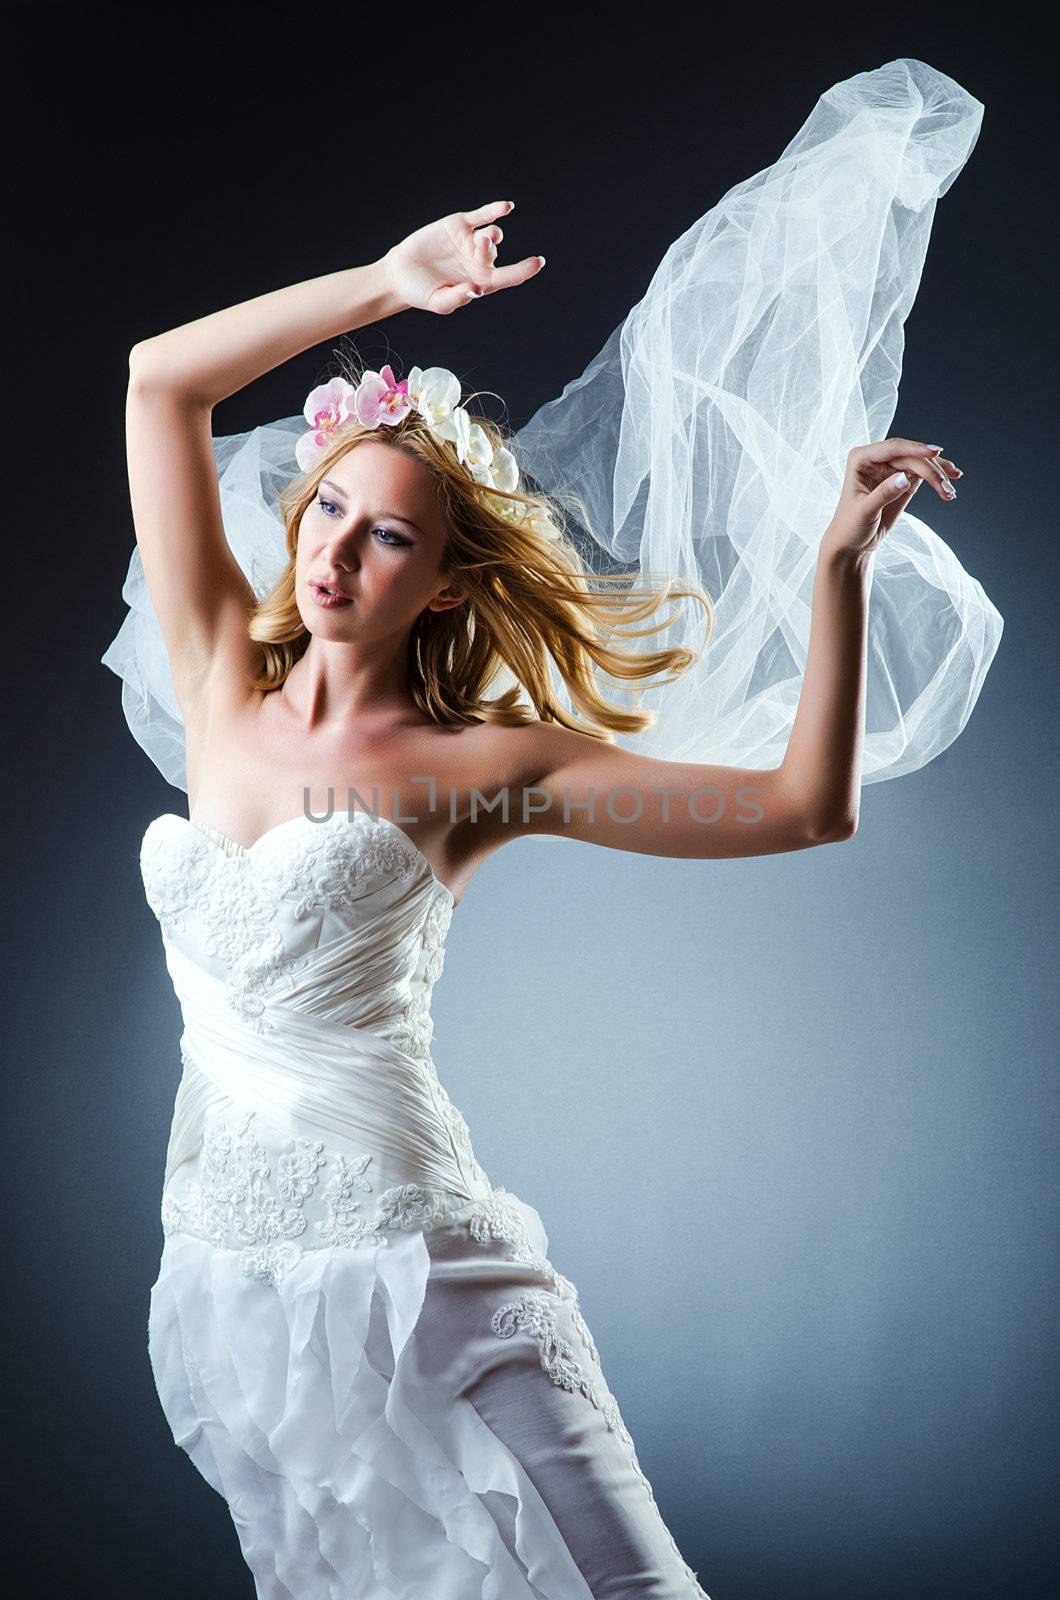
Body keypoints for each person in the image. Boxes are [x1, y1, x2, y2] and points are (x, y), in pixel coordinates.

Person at [103, 60, 1000, 1600]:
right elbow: (157, 379)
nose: (339, 552)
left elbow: (804, 810)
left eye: (391, 536)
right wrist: (383, 284)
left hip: (427, 1269)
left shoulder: (480, 768)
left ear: (441, 584)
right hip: (230, 1277)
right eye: (329, 512)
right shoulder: (210, 688)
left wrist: (834, 574)